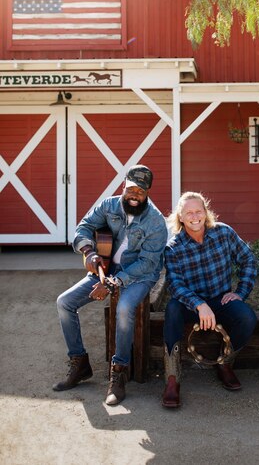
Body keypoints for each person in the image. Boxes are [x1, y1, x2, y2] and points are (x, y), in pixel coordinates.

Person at [53, 164, 168, 406]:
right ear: (123, 186)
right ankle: (79, 363)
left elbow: (148, 263)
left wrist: (115, 282)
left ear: (148, 193)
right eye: (131, 189)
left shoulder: (156, 221)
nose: (135, 196)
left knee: (124, 309)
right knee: (64, 303)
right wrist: (88, 251)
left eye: (141, 191)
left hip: (140, 275)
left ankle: (119, 373)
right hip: (106, 268)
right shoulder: (108, 205)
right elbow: (83, 228)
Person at [162, 192, 257, 408]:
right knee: (172, 309)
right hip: (191, 305)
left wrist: (240, 293)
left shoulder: (223, 232)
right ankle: (172, 379)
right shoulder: (174, 247)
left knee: (247, 317)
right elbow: (175, 284)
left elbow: (248, 259)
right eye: (189, 213)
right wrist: (199, 304)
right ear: (180, 217)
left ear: (205, 213)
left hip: (220, 299)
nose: (194, 216)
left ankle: (224, 363)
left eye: (198, 211)